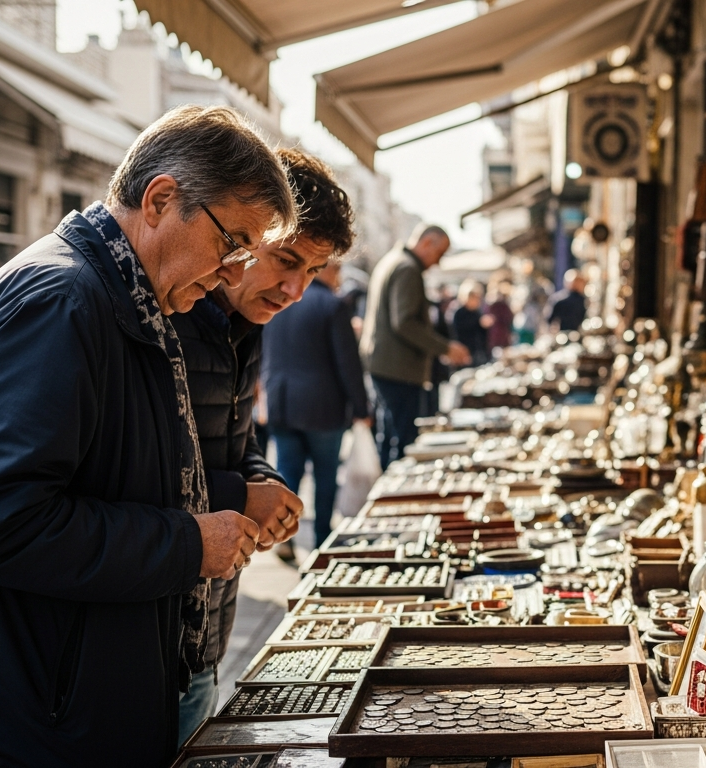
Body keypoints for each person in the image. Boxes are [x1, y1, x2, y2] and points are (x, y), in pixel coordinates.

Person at [0, 105, 295, 767]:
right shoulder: (61, 300)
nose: (235, 272)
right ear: (160, 200)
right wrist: (185, 544)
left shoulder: (129, 299)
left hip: (72, 710)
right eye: (232, 242)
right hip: (31, 728)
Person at [170, 146, 355, 742]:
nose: (296, 290)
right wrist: (240, 492)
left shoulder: (242, 323)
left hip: (206, 620)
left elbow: (236, 439)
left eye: (313, 273)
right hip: (160, 625)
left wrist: (264, 481)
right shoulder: (174, 312)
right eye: (285, 261)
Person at [264, 255, 371, 549]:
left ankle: (281, 536)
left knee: (287, 471)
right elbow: (348, 365)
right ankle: (322, 538)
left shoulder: (279, 301)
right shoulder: (333, 306)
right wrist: (362, 408)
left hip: (282, 402)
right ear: (331, 270)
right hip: (321, 408)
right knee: (324, 476)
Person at [360, 224, 471, 468]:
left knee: (391, 437)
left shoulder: (393, 261)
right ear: (427, 243)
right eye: (439, 253)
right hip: (398, 370)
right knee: (403, 442)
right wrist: (445, 348)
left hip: (386, 367)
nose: (438, 262)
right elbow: (405, 322)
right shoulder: (407, 268)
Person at [448, 278, 490, 367]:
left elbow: (482, 336)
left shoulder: (477, 312)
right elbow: (456, 333)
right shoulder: (458, 312)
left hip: (477, 354)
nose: (477, 300)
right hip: (462, 354)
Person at [546, 268, 588, 333]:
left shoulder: (582, 300)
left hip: (573, 334)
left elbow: (549, 319)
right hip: (564, 335)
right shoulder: (559, 299)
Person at [484, 279, 514, 351]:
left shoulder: (503, 305)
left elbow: (509, 318)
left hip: (501, 334)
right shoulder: (491, 306)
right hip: (495, 334)